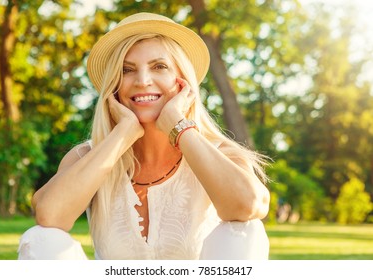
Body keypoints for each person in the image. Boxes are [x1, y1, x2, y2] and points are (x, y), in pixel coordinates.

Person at [18, 12, 270, 260]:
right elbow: (49, 216)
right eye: (127, 70)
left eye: (159, 66)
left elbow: (248, 206)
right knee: (42, 238)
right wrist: (121, 136)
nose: (142, 80)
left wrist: (179, 126)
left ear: (183, 81)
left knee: (245, 230)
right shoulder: (87, 155)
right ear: (114, 86)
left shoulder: (220, 153)